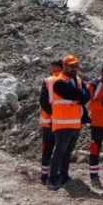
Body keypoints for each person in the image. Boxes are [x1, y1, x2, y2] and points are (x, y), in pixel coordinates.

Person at [40, 54, 90, 190]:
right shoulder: (60, 82)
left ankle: (64, 176)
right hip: (62, 122)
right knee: (59, 151)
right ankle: (52, 179)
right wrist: (79, 97)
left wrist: (79, 97)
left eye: (76, 66)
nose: (74, 68)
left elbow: (86, 96)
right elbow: (76, 95)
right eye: (71, 66)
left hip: (75, 122)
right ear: (65, 66)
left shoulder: (76, 81)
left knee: (67, 152)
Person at [38, 57, 65, 186]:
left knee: (47, 149)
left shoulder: (48, 81)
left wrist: (52, 113)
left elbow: (43, 100)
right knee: (60, 149)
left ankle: (44, 175)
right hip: (63, 122)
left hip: (48, 121)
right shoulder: (67, 80)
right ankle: (58, 174)